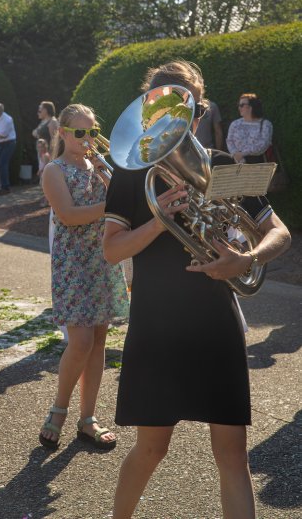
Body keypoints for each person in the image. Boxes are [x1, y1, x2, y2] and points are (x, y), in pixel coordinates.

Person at [103, 60, 291, 519]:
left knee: (233, 455)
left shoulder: (223, 165)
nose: (179, 121)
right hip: (158, 323)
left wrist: (247, 259)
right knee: (152, 449)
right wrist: (158, 220)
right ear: (147, 114)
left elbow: (279, 232)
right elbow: (111, 250)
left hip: (214, 320)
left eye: (190, 108)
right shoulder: (131, 172)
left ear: (201, 110)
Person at [39, 103, 129, 451]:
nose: (88, 138)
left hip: (102, 257)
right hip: (74, 263)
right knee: (80, 342)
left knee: (99, 341)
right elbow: (68, 215)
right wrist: (110, 207)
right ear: (63, 133)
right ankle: (59, 410)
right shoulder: (54, 170)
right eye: (80, 132)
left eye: (93, 131)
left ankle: (88, 417)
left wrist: (113, 180)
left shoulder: (98, 165)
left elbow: (123, 200)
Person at [226, 93, 273, 163]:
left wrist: (243, 154)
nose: (239, 108)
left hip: (259, 163)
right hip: (238, 161)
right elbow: (229, 141)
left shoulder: (265, 124)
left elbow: (264, 144)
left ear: (251, 106)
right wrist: (236, 154)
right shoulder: (235, 124)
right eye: (238, 105)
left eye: (242, 105)